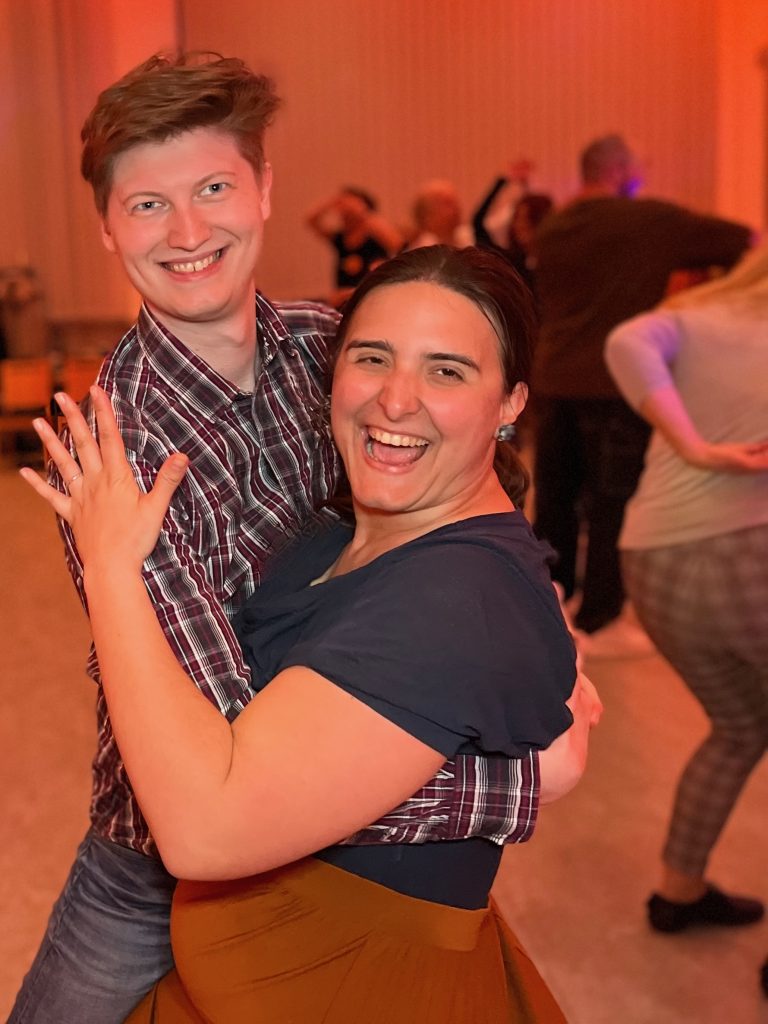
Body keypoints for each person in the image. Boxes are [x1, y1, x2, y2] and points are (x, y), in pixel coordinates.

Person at [9, 55, 562, 1024]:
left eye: (214, 188)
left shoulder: (333, 347)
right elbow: (227, 779)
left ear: (265, 189)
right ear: (106, 226)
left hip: (337, 859)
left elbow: (463, 489)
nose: (189, 233)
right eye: (148, 205)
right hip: (154, 857)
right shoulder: (113, 451)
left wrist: (506, 631)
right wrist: (499, 778)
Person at [531, 132, 752, 656]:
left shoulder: (552, 226)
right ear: (619, 171)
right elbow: (743, 239)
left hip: (554, 378)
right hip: (612, 383)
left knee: (557, 499)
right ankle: (601, 619)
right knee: (612, 501)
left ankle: (549, 604)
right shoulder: (647, 219)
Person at [605, 244, 768, 938]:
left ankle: (680, 890)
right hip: (742, 556)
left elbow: (626, 341)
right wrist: (701, 449)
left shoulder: (699, 313)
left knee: (741, 727)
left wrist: (688, 442)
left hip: (652, 561)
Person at [305, 187, 402, 306]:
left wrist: (360, 210)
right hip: (343, 299)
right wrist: (331, 202)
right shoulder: (340, 237)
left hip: (371, 296)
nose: (343, 213)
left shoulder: (374, 231)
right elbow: (311, 220)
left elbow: (400, 245)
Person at [471, 159, 553, 293]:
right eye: (517, 219)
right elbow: (478, 225)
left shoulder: (555, 262)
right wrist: (502, 181)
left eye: (527, 220)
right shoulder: (511, 262)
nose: (520, 225)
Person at [405, 179, 473, 250]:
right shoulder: (422, 250)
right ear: (427, 216)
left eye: (455, 203)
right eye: (448, 204)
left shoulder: (471, 238)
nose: (456, 209)